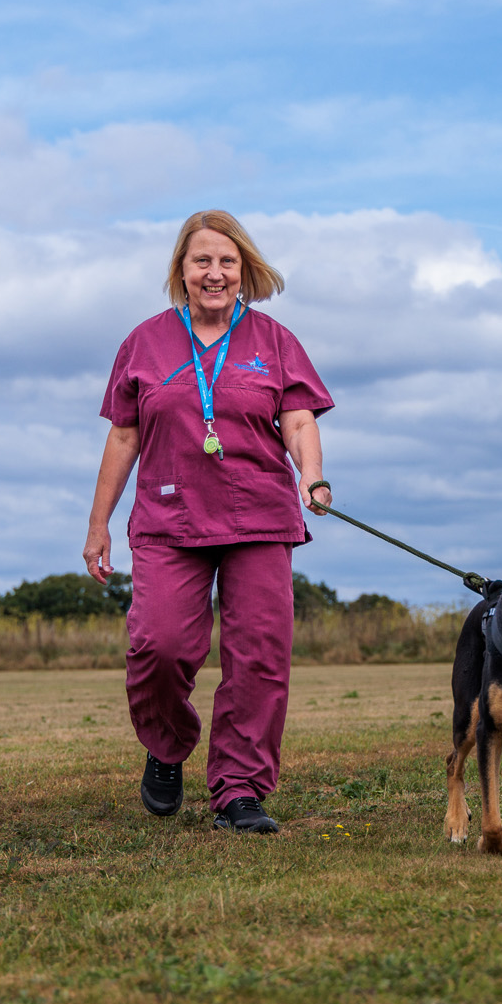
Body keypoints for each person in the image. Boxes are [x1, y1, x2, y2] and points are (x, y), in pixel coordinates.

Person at [83, 211, 333, 833]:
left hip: (260, 516)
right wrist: (98, 525)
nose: (214, 273)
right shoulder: (144, 342)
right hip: (170, 517)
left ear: (244, 270)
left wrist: (313, 475)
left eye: (226, 261)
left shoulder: (275, 340)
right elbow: (122, 437)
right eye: (202, 261)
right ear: (181, 272)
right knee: (159, 645)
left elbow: (299, 419)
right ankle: (167, 746)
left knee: (259, 659)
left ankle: (239, 790)